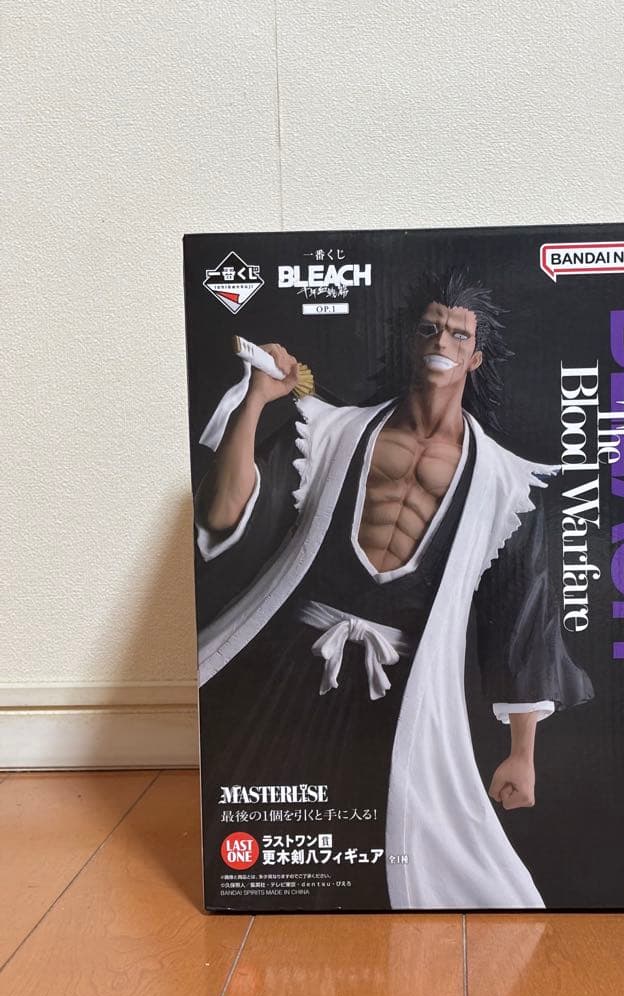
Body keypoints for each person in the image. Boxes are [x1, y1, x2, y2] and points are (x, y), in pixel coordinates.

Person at [193, 270, 593, 910]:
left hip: (403, 695)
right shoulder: (327, 431)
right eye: (430, 327)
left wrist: (522, 753)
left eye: (459, 334)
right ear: (411, 339)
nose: (442, 341)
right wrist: (257, 401)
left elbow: (522, 615)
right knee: (256, 818)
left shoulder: (504, 484)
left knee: (399, 853)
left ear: (476, 357)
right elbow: (221, 514)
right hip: (283, 667)